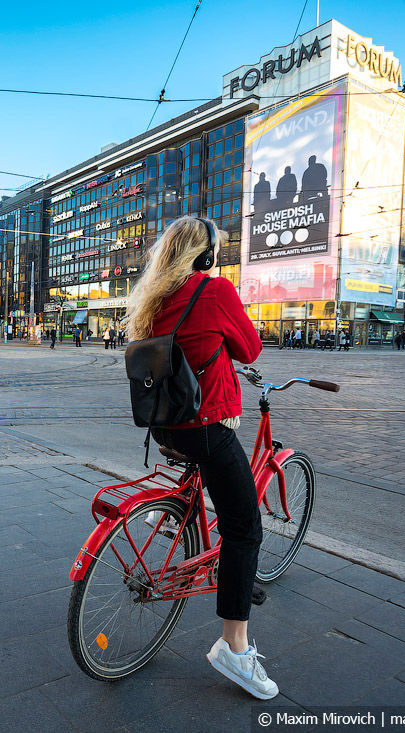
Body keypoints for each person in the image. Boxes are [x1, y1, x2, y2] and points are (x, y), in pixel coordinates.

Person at [125, 216, 275, 700]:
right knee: (245, 527)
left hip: (166, 425)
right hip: (207, 425)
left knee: (222, 503)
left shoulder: (153, 297)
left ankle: (193, 536)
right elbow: (250, 349)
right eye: (218, 251)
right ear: (206, 256)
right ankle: (235, 646)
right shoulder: (214, 292)